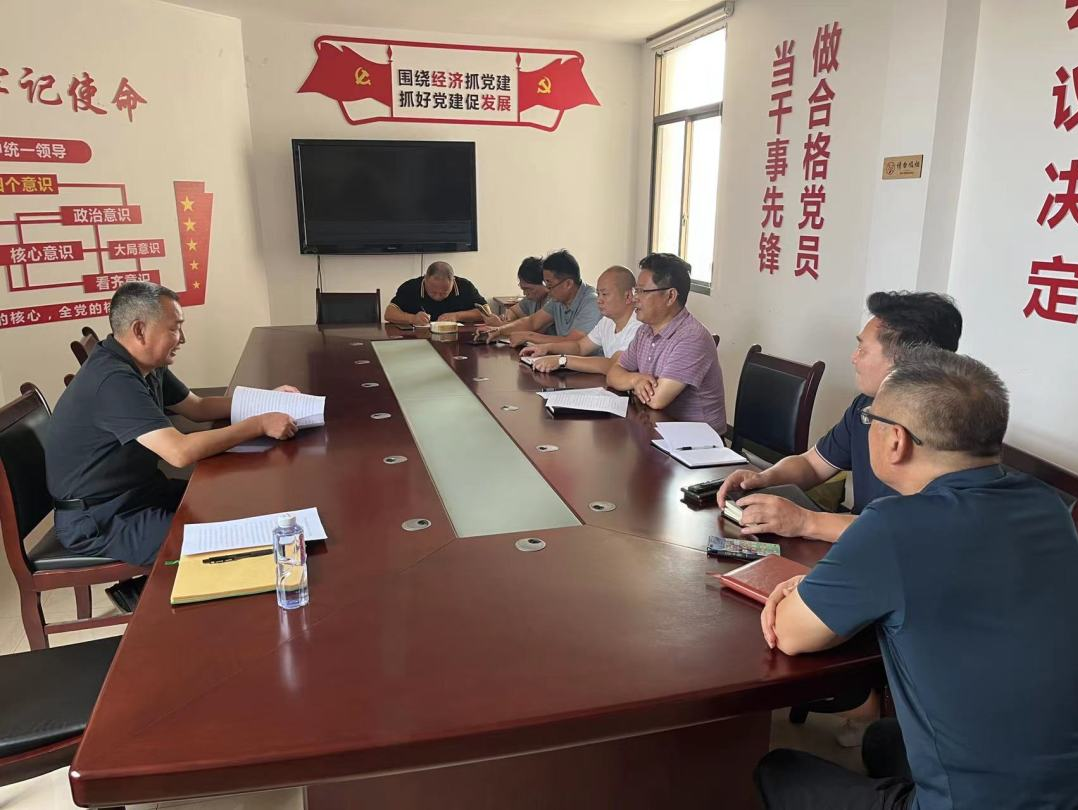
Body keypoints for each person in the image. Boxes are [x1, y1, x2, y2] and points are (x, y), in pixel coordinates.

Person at [755, 347, 1078, 810]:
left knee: (777, 769)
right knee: (883, 740)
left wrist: (802, 590)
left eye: (870, 419)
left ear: (896, 441)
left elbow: (789, 634)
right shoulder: (1047, 504)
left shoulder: (892, 525)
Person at [45, 282, 299, 602]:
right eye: (175, 328)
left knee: (232, 503)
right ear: (140, 330)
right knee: (222, 547)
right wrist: (258, 424)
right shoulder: (112, 380)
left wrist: (265, 401)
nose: (182, 338)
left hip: (137, 493)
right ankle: (154, 595)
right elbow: (179, 452)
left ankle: (149, 584)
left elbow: (197, 407)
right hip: (101, 518)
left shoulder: (144, 364)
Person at [718, 291, 963, 543]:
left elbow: (908, 530)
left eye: (862, 349)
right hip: (854, 544)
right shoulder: (865, 406)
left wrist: (805, 521)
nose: (853, 358)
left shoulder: (945, 432)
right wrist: (764, 478)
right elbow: (812, 464)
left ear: (900, 363)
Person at [606, 253, 726, 432]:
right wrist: (635, 379)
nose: (635, 298)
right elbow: (613, 373)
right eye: (636, 291)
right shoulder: (645, 331)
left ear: (670, 296)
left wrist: (631, 383)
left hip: (699, 441)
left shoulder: (692, 337)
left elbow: (656, 399)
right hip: (659, 427)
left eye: (642, 291)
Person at [520, 265, 641, 374]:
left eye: (605, 294)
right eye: (598, 294)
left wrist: (562, 361)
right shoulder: (607, 321)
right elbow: (580, 347)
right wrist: (546, 348)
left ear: (628, 296)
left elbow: (614, 364)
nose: (599, 300)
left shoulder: (638, 326)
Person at [479, 249, 601, 346]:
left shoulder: (592, 302)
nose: (548, 290)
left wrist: (528, 336)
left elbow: (573, 342)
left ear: (568, 284)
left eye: (550, 285)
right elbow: (532, 322)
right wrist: (499, 330)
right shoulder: (558, 300)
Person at [384, 261, 488, 326]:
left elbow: (486, 311)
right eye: (433, 292)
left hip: (458, 339)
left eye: (444, 293)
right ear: (425, 279)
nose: (438, 296)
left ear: (453, 281)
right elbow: (389, 313)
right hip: (418, 340)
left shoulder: (465, 286)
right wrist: (412, 318)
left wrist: (457, 316)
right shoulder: (410, 287)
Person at [494, 256, 550, 326]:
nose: (524, 293)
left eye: (528, 289)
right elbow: (513, 311)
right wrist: (506, 317)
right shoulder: (532, 299)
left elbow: (535, 327)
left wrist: (501, 325)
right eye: (523, 289)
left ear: (544, 283)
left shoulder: (554, 301)